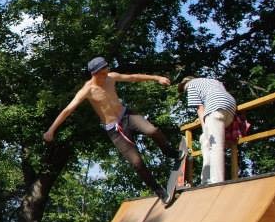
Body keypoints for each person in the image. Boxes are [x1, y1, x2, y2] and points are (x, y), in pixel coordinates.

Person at [43, 57, 178, 201]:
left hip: (127, 116)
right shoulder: (87, 90)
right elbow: (68, 110)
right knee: (137, 163)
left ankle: (169, 152)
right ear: (96, 73)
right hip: (115, 130)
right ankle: (158, 190)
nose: (108, 70)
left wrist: (157, 78)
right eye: (104, 69)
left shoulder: (111, 77)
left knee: (152, 131)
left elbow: (133, 77)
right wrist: (51, 130)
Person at [178, 76, 237, 185]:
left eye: (185, 90)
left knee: (215, 145)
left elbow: (200, 109)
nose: (186, 92)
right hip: (230, 107)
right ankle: (206, 179)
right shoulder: (212, 81)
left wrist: (205, 128)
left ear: (186, 83)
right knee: (204, 141)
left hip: (215, 108)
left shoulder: (191, 86)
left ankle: (216, 181)